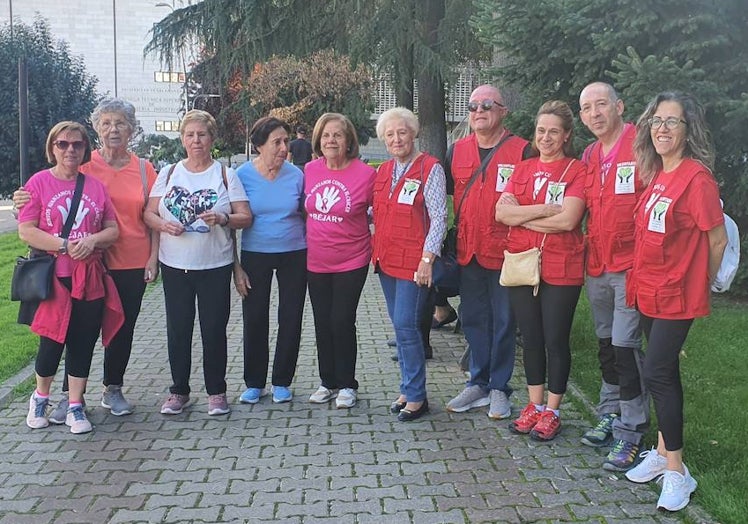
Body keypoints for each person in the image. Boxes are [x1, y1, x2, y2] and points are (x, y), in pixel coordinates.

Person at [13, 99, 159, 421]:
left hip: (131, 261)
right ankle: (69, 398)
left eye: (120, 123)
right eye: (106, 123)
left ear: (131, 129)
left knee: (122, 329)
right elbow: (45, 197)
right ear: (97, 128)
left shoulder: (144, 169)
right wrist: (19, 200)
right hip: (87, 264)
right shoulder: (83, 164)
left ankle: (113, 388)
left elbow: (153, 215)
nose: (113, 129)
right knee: (79, 331)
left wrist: (153, 257)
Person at [624, 92, 726, 512]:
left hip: (677, 294)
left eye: (673, 121)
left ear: (688, 131)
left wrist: (701, 280)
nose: (663, 128)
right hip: (649, 287)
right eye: (657, 121)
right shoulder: (658, 174)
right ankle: (664, 453)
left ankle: (677, 472)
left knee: (658, 372)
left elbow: (715, 239)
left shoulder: (696, 178)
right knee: (661, 372)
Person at [144, 109, 252, 416]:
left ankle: (216, 391)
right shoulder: (167, 174)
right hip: (175, 266)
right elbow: (148, 214)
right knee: (178, 330)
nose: (196, 140)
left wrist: (222, 217)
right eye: (189, 135)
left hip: (214, 266)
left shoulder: (224, 175)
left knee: (214, 330)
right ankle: (179, 391)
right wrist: (164, 226)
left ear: (212, 139)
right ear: (181, 139)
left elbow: (245, 217)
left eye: (202, 135)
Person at [21, 121, 122, 434]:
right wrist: (64, 245)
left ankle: (76, 406)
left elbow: (113, 229)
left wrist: (92, 240)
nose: (70, 150)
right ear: (52, 148)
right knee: (51, 342)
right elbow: (27, 230)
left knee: (82, 343)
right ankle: (40, 398)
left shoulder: (93, 186)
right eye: (62, 144)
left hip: (88, 276)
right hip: (54, 277)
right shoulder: (38, 183)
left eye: (76, 144)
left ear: (85, 149)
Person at [495, 100, 587, 441]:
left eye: (553, 132)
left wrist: (525, 216)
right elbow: (501, 214)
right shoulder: (522, 168)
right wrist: (545, 210)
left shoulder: (577, 170)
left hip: (562, 268)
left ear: (565, 136)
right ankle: (533, 405)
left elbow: (568, 220)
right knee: (531, 338)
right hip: (522, 264)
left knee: (554, 339)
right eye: (541, 130)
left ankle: (553, 410)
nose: (546, 137)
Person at [445, 84, 531, 420]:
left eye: (487, 105)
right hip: (470, 251)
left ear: (503, 111)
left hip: (507, 252)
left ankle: (499, 387)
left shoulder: (522, 151)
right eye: (473, 106)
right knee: (475, 319)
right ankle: (477, 383)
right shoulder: (457, 150)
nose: (479, 111)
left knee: (505, 321)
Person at [578, 82, 650, 471]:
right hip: (597, 263)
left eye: (601, 104)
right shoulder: (590, 153)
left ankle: (632, 430)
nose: (594, 114)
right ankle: (610, 410)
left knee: (625, 346)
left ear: (619, 106)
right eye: (587, 108)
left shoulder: (642, 144)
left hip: (630, 265)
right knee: (606, 343)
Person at [372, 107, 447, 422]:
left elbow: (440, 216)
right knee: (400, 328)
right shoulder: (384, 170)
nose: (396, 138)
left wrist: (428, 258)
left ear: (414, 132)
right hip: (387, 261)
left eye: (401, 132)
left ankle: (417, 396)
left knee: (407, 325)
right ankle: (407, 388)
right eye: (389, 134)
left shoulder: (430, 168)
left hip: (415, 264)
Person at [303, 113, 376, 409]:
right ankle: (327, 382)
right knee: (322, 322)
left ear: (349, 142)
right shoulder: (309, 170)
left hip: (352, 259)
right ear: (319, 141)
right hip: (315, 260)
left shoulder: (365, 174)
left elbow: (379, 214)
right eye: (326, 135)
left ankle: (347, 383)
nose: (331, 140)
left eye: (338, 135)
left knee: (342, 320)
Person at [234, 117, 307, 405]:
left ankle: (282, 380)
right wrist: (236, 266)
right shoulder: (241, 175)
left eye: (286, 141)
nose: (284, 147)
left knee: (290, 316)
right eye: (276, 141)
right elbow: (233, 223)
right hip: (255, 253)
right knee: (255, 316)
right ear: (259, 145)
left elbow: (306, 212)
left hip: (294, 252)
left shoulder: (296, 175)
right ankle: (254, 382)